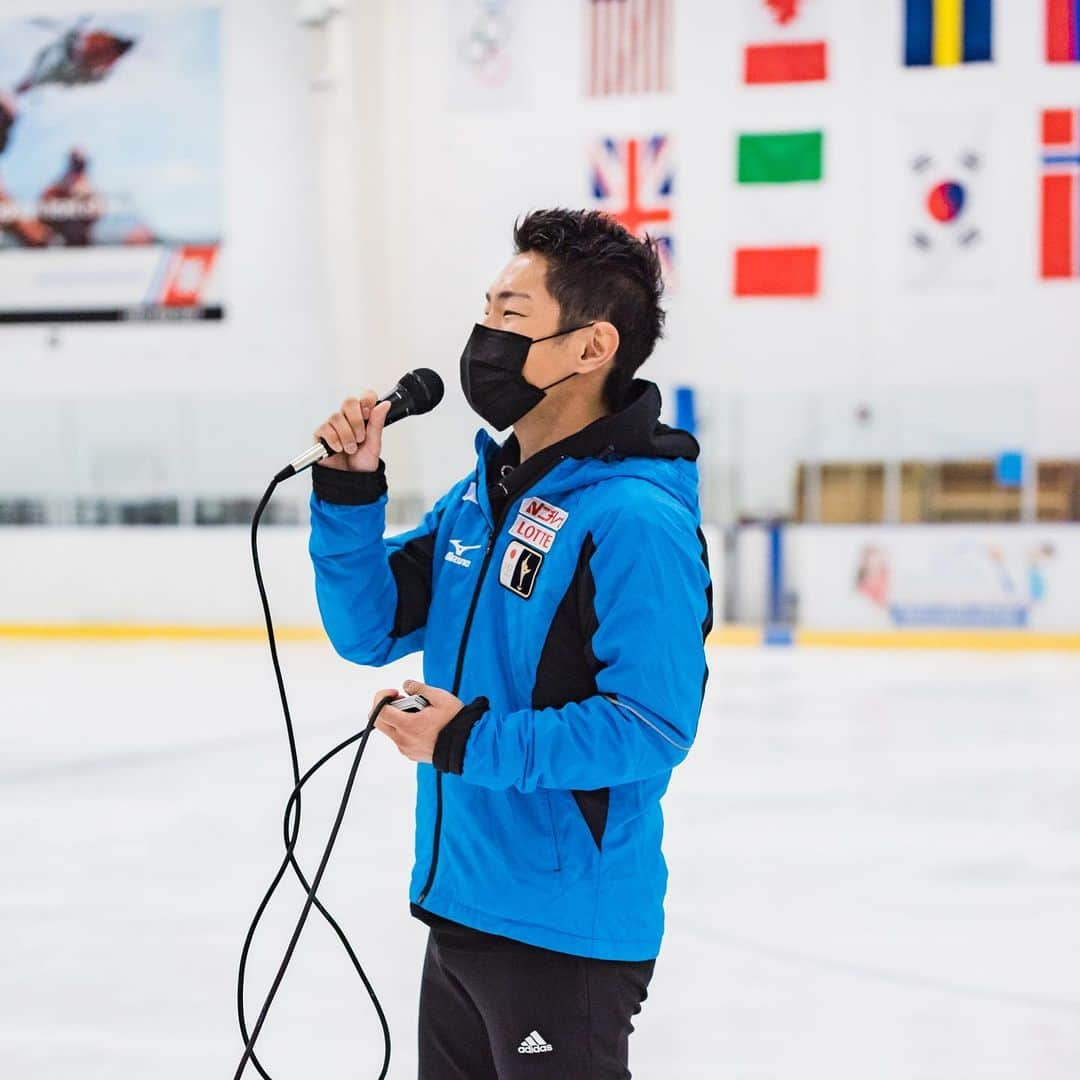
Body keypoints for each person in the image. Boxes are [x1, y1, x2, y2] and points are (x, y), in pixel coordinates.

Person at [307, 208, 712, 1078]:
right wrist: (349, 494)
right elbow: (369, 627)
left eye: (511, 315)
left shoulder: (636, 520)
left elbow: (651, 724)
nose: (484, 335)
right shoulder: (484, 494)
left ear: (590, 346)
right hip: (462, 906)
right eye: (485, 308)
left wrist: (465, 740)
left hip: (563, 930)